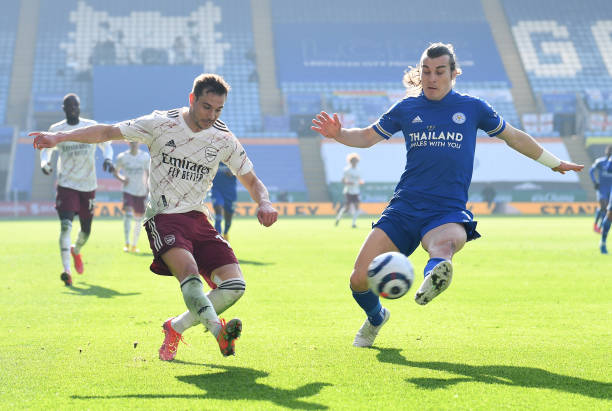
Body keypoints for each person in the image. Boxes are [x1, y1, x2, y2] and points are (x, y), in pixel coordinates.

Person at [311, 43, 583, 348]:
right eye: (426, 71)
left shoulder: (473, 108)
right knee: (358, 279)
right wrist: (339, 134)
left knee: (445, 244)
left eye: (440, 71)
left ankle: (434, 276)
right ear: (419, 73)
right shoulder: (406, 109)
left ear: (453, 74)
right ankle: (377, 317)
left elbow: (514, 137)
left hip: (446, 210)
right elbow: (367, 136)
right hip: (404, 207)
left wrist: (553, 162)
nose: (432, 78)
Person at [32, 74, 279, 359]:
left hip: (199, 219)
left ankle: (174, 326)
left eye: (218, 109)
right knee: (189, 274)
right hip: (164, 217)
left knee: (235, 286)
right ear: (192, 99)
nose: (212, 115)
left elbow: (252, 180)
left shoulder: (223, 138)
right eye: (207, 107)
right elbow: (106, 132)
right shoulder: (160, 123)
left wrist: (265, 203)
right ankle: (218, 331)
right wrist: (59, 137)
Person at [39, 93, 114, 287]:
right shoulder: (57, 130)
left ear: (80, 107)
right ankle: (66, 270)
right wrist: (45, 163)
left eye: (75, 105)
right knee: (65, 225)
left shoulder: (90, 126)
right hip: (67, 184)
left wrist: (108, 159)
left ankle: (76, 250)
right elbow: (46, 149)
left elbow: (107, 145)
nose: (73, 108)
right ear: (63, 109)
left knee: (86, 230)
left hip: (88, 185)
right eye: (69, 106)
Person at [112, 141, 150, 253]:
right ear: (129, 143)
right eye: (132, 142)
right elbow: (115, 172)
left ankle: (134, 245)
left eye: (136, 142)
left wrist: (148, 187)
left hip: (141, 191)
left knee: (138, 219)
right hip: (128, 190)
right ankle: (127, 243)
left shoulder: (145, 156)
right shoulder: (122, 157)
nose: (134, 144)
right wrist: (122, 179)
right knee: (128, 215)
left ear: (139, 143)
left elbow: (148, 173)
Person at [335, 153, 364, 228]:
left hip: (356, 191)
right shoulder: (347, 170)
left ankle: (353, 223)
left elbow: (359, 180)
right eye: (353, 161)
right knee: (347, 208)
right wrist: (348, 183)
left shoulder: (359, 170)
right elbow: (342, 180)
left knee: (357, 207)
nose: (355, 162)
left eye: (356, 161)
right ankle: (338, 218)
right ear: (350, 161)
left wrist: (361, 182)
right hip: (348, 191)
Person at [589, 145, 612, 236]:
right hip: (602, 188)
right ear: (606, 151)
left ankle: (599, 225)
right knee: (604, 206)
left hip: (610, 188)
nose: (610, 152)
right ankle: (599, 226)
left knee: (606, 209)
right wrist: (595, 182)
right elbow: (591, 171)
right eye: (609, 150)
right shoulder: (600, 161)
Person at [211, 162, 237, 241]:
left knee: (228, 216)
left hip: (230, 192)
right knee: (218, 210)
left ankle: (226, 232)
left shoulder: (233, 159)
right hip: (216, 189)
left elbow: (241, 172)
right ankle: (218, 236)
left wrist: (233, 172)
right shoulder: (214, 158)